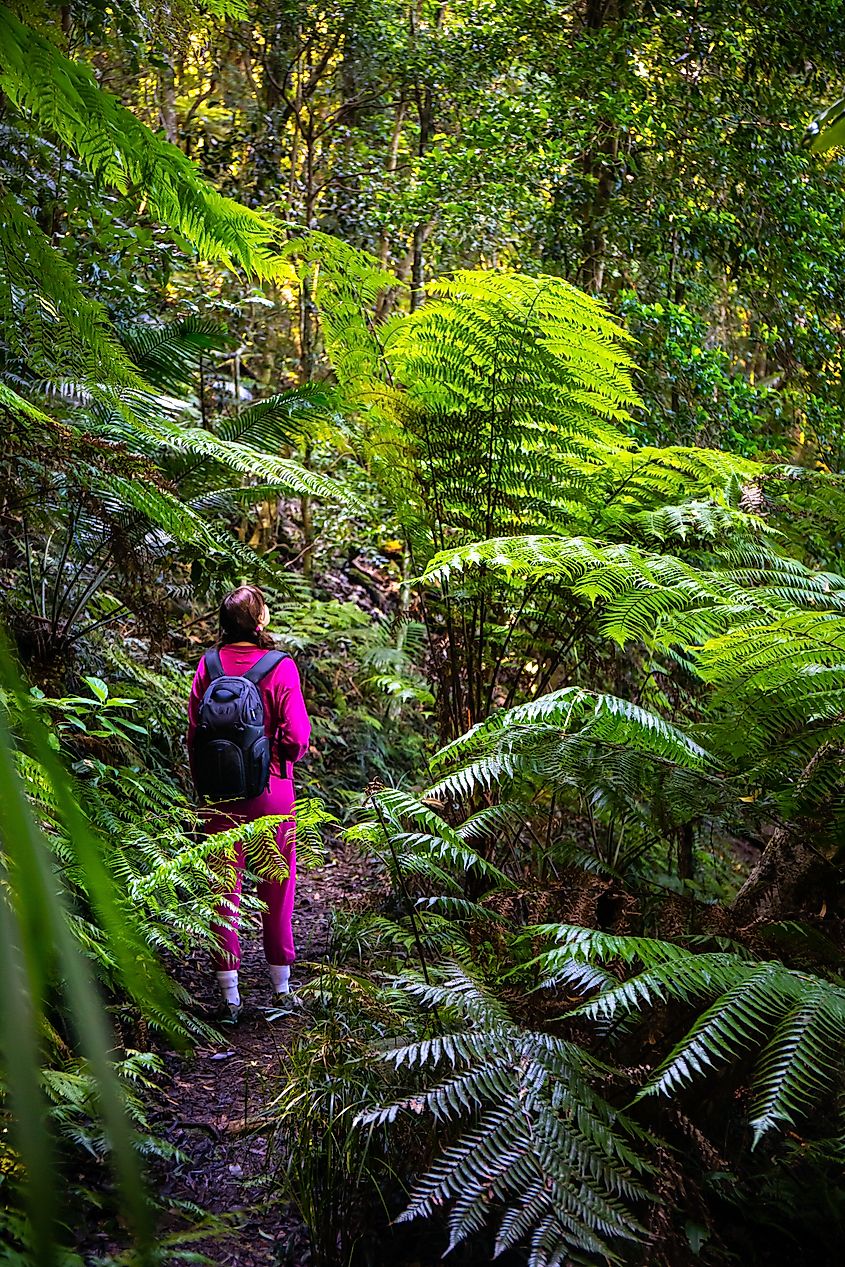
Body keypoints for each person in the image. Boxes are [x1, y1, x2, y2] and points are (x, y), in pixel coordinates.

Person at [187, 585, 310, 1020]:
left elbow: (193, 735)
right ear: (260, 623)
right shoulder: (281, 667)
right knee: (278, 887)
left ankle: (229, 997)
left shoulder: (209, 664)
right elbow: (297, 737)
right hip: (270, 792)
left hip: (218, 798)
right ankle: (280, 989)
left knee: (223, 892)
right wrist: (276, 756)